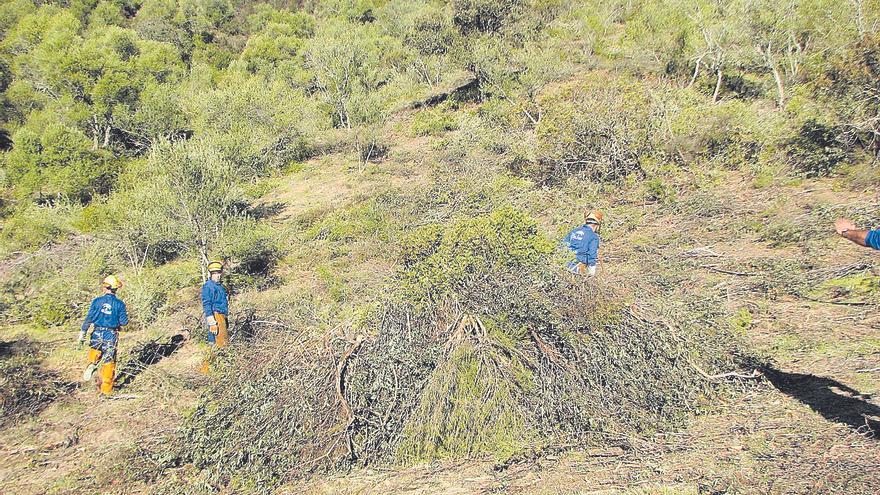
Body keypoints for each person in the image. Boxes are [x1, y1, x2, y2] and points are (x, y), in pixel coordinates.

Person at [78, 275, 129, 395]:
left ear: (105, 287)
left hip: (97, 332)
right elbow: (124, 322)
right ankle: (106, 391)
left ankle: (92, 364)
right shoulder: (120, 304)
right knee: (109, 361)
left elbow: (89, 318)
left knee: (95, 352)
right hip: (111, 334)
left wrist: (83, 333)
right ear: (116, 289)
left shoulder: (96, 301)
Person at [562, 210, 603, 277]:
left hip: (564, 265)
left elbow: (563, 245)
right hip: (577, 268)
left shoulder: (574, 231)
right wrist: (592, 270)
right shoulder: (593, 236)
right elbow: (592, 254)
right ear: (596, 225)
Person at [201, 261, 229, 348]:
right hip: (216, 317)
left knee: (223, 343)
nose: (217, 275)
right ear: (210, 274)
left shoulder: (220, 286)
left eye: (219, 272)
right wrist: (212, 323)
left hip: (222, 316)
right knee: (218, 345)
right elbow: (207, 304)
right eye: (214, 273)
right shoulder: (208, 286)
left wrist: (226, 318)